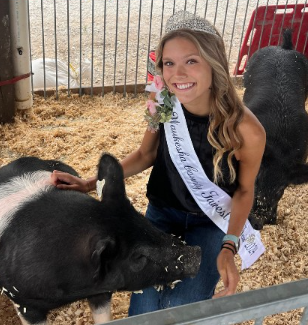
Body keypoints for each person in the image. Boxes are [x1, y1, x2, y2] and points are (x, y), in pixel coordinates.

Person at [50, 11, 266, 315]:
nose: (178, 74)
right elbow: (145, 154)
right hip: (161, 214)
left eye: (191, 61)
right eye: (169, 63)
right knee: (144, 308)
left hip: (210, 222)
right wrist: (89, 183)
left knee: (181, 309)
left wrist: (229, 247)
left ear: (214, 62)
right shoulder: (162, 101)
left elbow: (244, 191)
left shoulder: (247, 130)